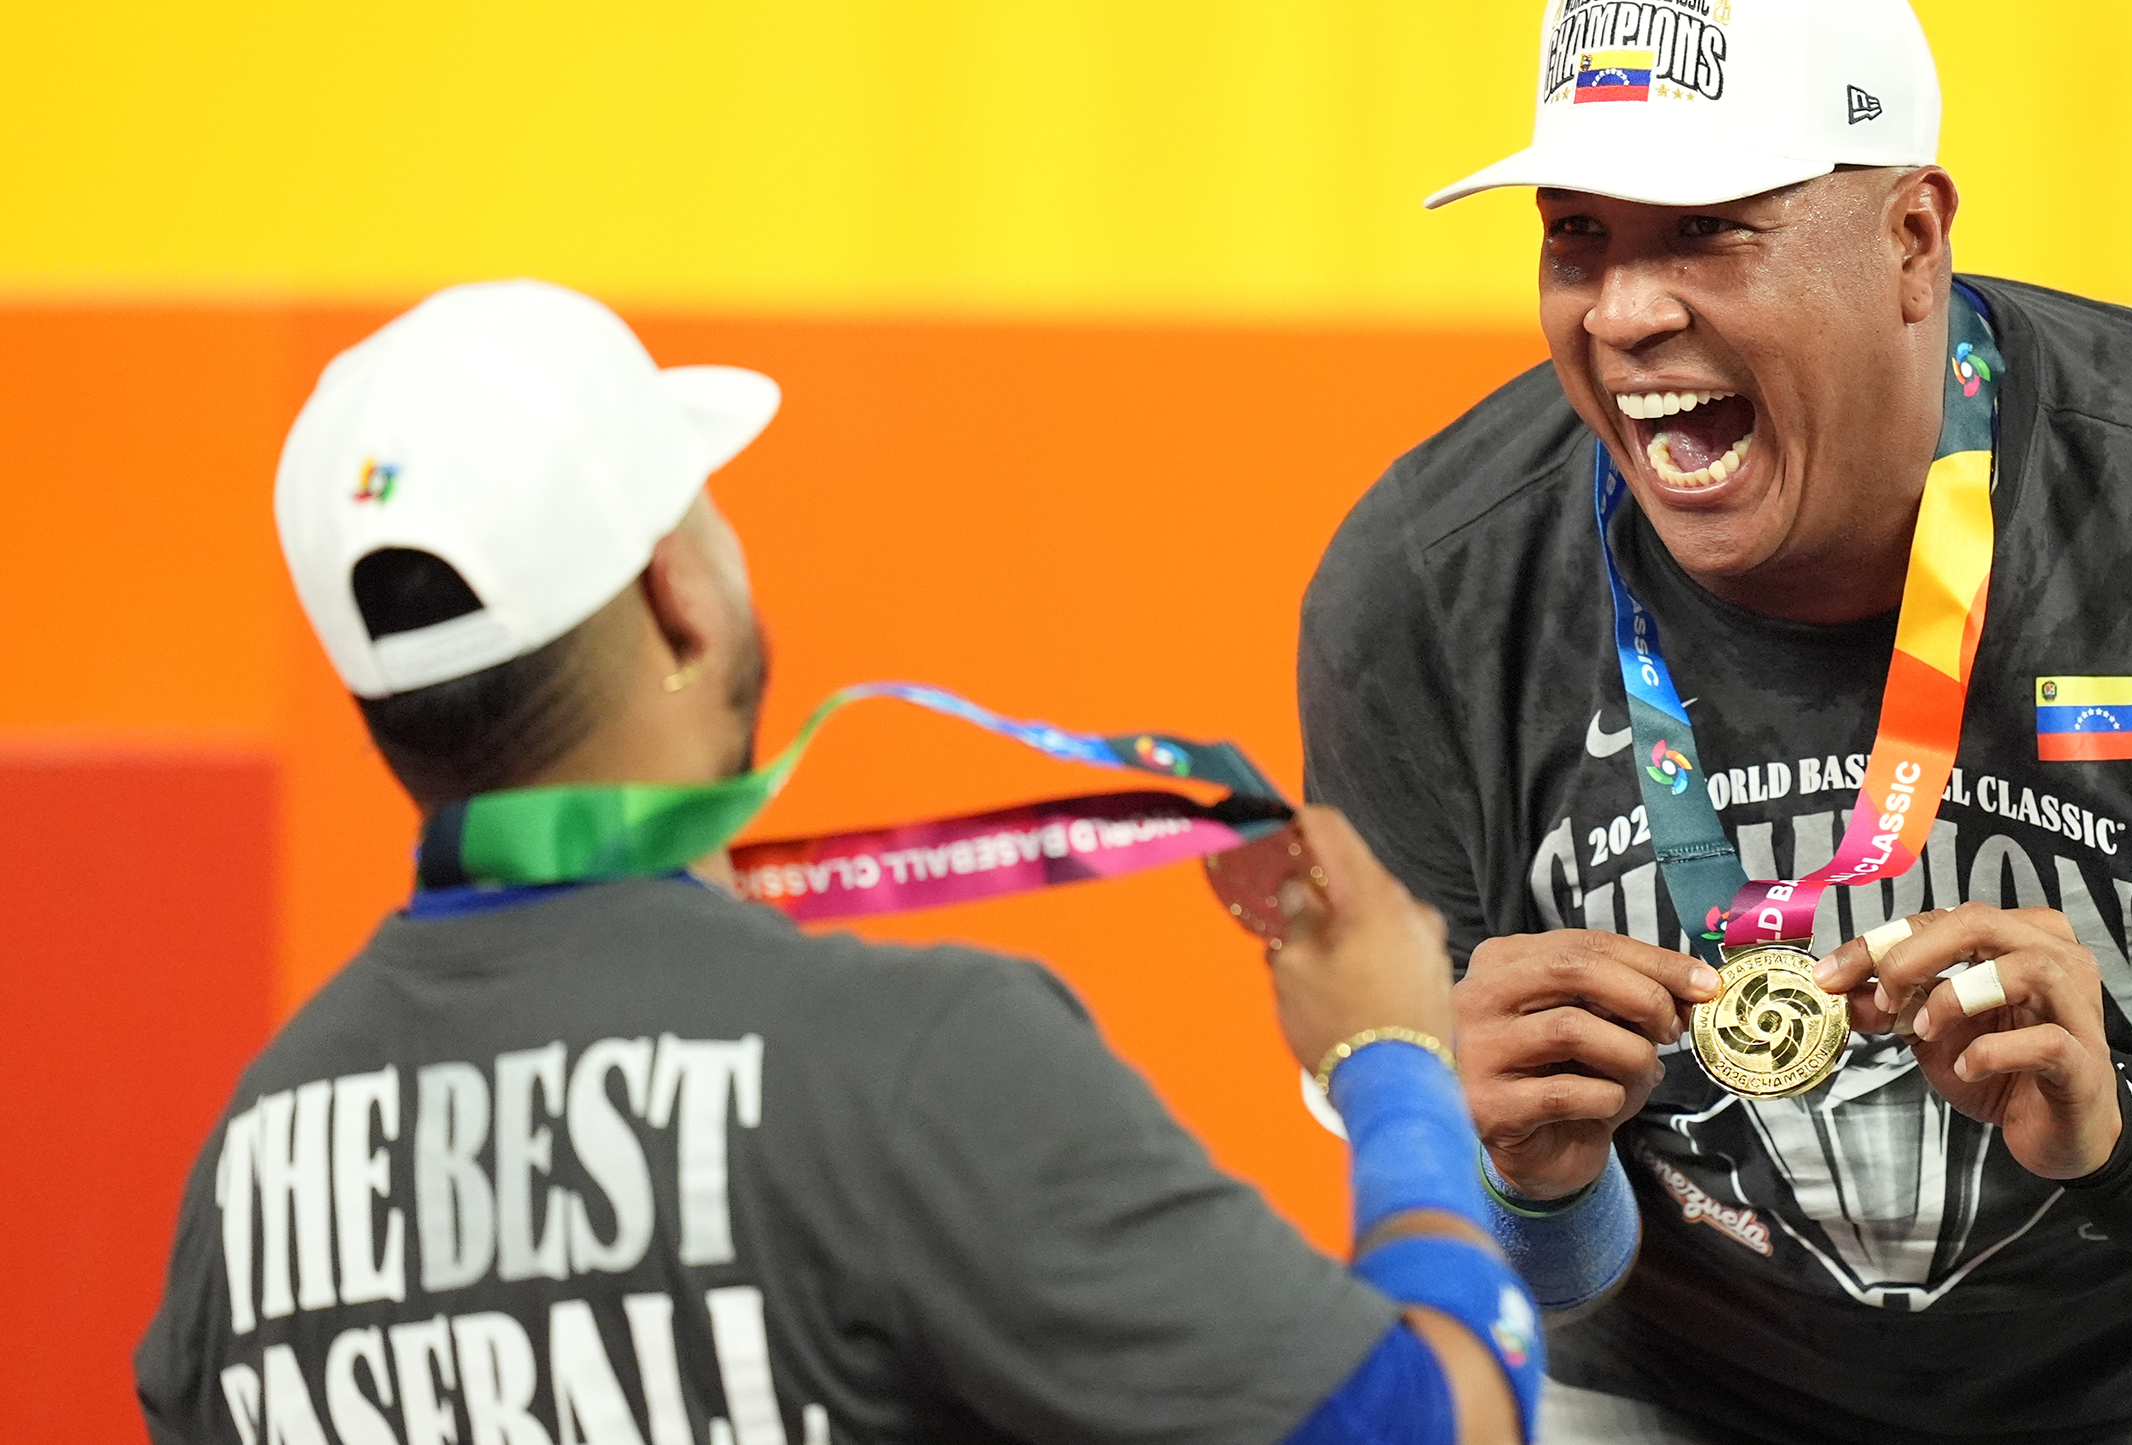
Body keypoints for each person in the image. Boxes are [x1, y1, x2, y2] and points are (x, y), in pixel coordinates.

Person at [1296, 3, 2132, 1442]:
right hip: (1686, 1395)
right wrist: (1526, 1180)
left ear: (1911, 244)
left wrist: (2119, 1128)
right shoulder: (1429, 591)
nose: (1622, 312)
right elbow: (1511, 1279)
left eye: (1703, 226)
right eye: (1578, 233)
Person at [135, 280, 1545, 1445]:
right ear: (676, 600)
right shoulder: (913, 1067)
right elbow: (1443, 1420)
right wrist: (1389, 1057)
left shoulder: (243, 1184)